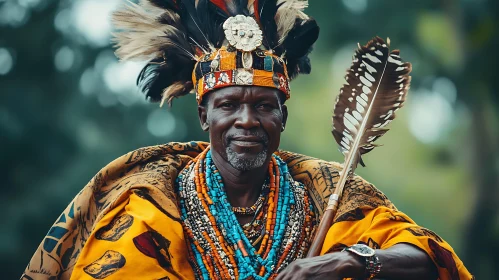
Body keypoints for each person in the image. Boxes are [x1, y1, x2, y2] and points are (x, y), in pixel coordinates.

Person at [23, 0, 473, 279]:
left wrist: (346, 262)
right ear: (203, 115)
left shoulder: (323, 194)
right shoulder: (149, 202)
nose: (247, 120)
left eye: (263, 105)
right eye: (229, 105)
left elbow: (429, 258)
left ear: (283, 116)